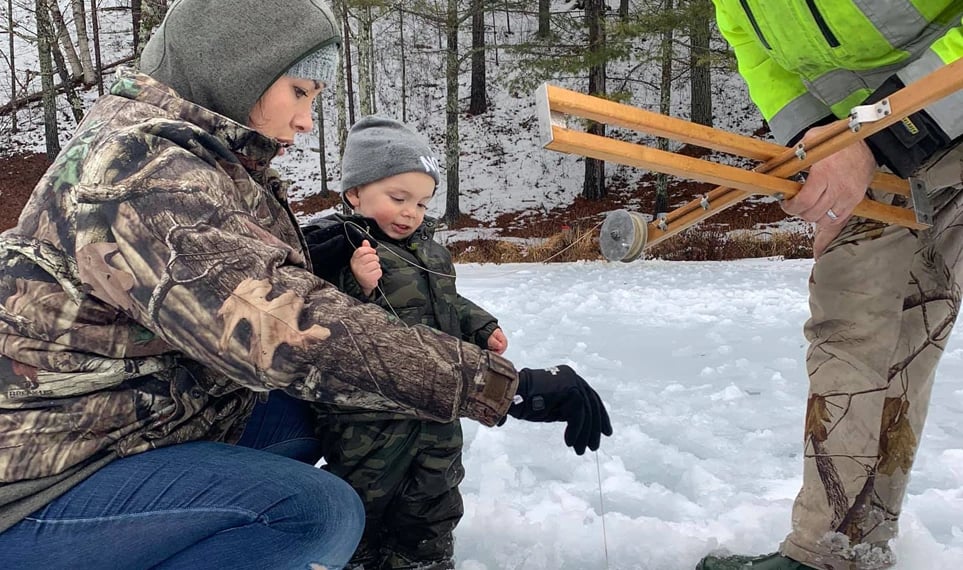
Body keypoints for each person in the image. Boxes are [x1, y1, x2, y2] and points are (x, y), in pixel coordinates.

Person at [0, 1, 612, 568]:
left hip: (126, 419)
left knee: (330, 409)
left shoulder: (191, 153)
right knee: (313, 513)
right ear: (237, 68)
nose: (303, 120)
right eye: (299, 91)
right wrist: (502, 386)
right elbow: (289, 331)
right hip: (45, 479)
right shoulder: (142, 175)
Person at [699, 2, 963, 570]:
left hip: (932, 125)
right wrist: (826, 161)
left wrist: (877, 141)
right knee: (871, 336)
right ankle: (846, 549)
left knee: (886, 337)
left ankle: (836, 552)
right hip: (879, 155)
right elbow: (775, 77)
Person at [303, 115, 514, 569]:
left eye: (421, 202)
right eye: (398, 198)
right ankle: (357, 557)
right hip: (367, 417)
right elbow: (317, 314)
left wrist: (480, 325)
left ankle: (425, 558)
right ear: (355, 192)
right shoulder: (335, 247)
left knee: (436, 490)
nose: (410, 213)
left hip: (434, 402)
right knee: (367, 495)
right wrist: (354, 282)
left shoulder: (432, 250)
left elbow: (448, 300)